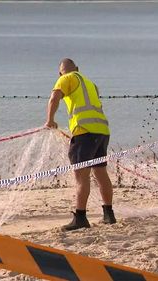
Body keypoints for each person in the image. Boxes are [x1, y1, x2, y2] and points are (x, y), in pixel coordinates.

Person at [44, 58, 116, 231]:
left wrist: (50, 120)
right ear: (77, 68)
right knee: (101, 173)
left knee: (81, 177)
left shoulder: (65, 78)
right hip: (102, 131)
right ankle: (109, 214)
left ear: (60, 72)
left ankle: (81, 217)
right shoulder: (91, 84)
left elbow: (54, 98)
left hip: (84, 131)